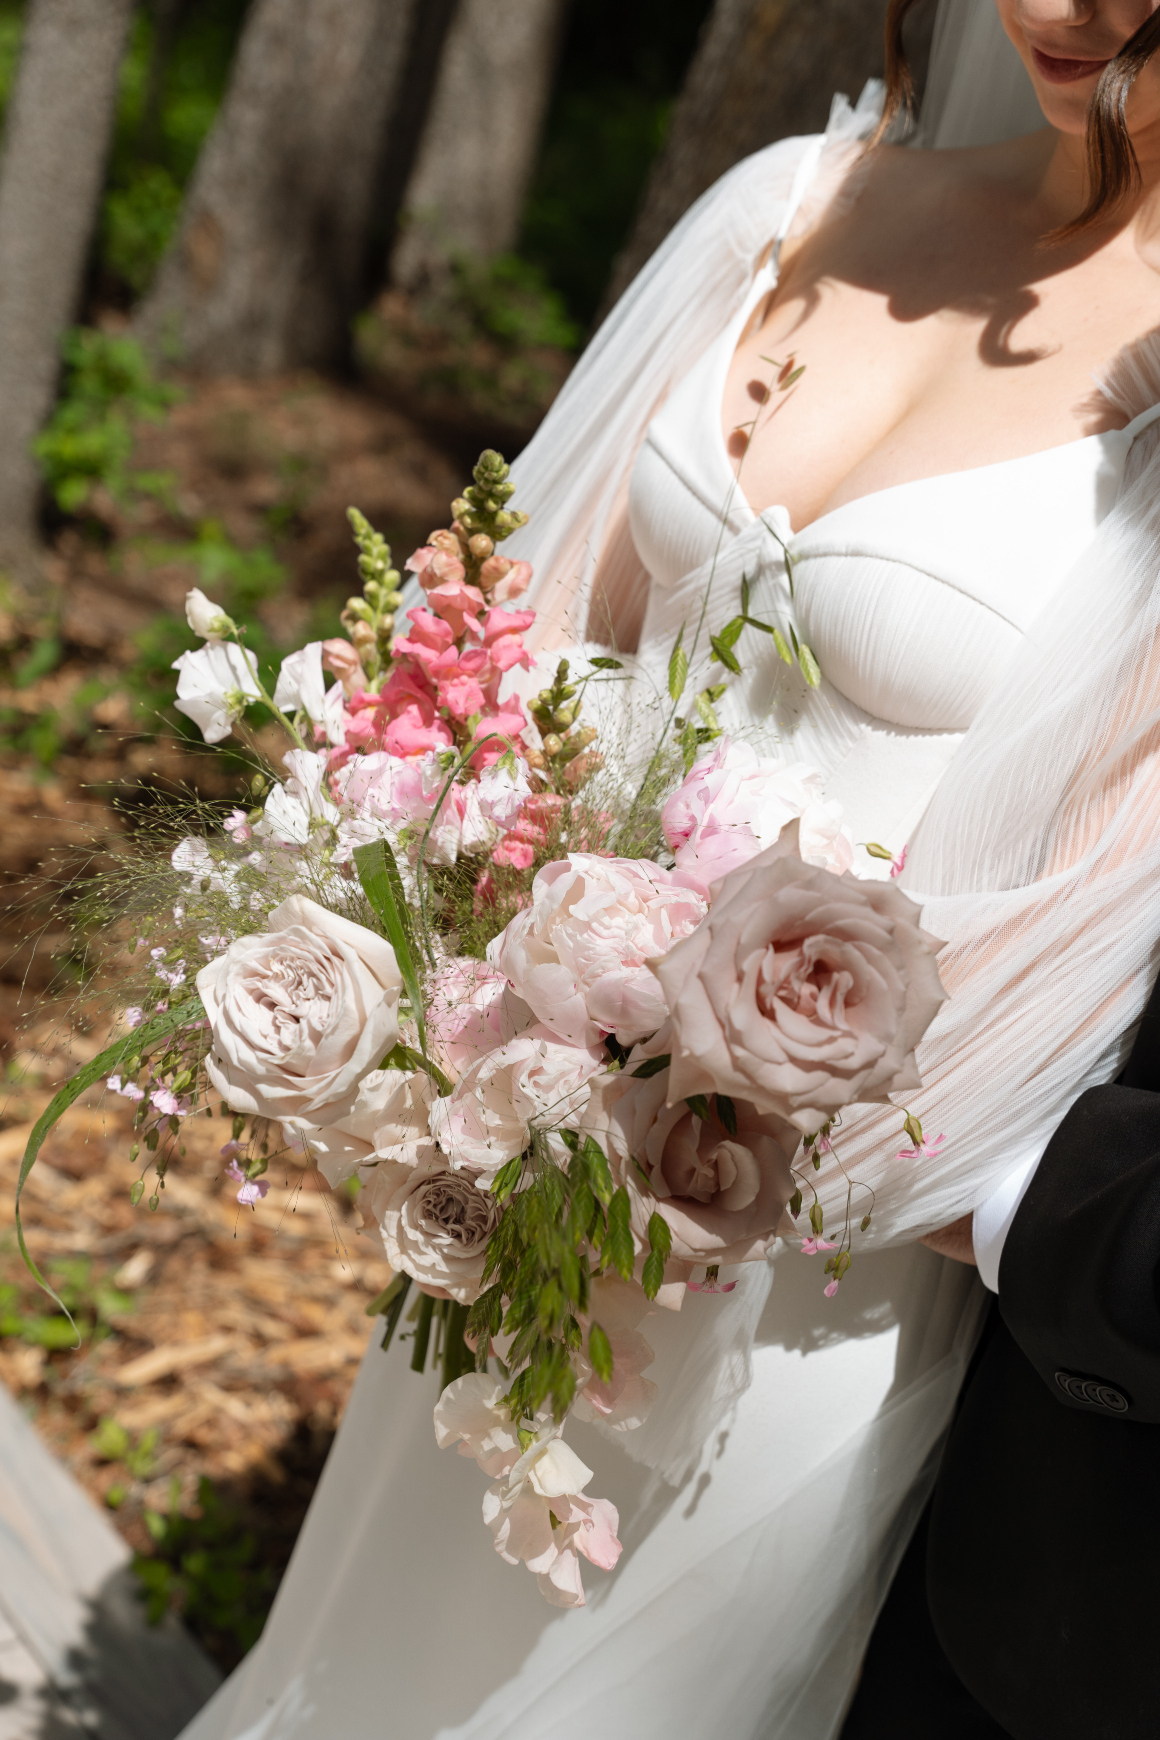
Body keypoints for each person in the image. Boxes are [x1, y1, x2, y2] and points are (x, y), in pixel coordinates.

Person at [176, 3, 1160, 1736]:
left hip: (791, 1285)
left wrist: (686, 1079)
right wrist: (464, 997)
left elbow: (1074, 970)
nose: (1064, 5)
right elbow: (520, 648)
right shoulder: (799, 202)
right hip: (521, 1186)